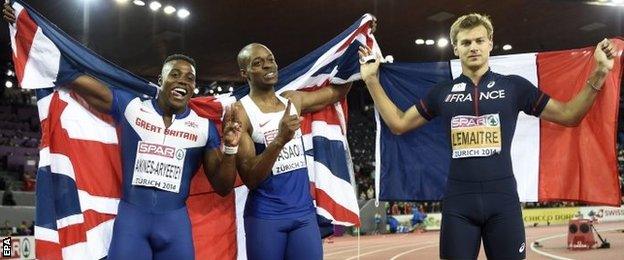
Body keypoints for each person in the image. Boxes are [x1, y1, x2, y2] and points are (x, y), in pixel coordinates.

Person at [359, 13, 617, 259]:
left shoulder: (514, 87)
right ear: (456, 49)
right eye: (466, 42)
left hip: (502, 202)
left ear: (490, 44)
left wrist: (600, 72)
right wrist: (372, 81)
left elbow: (570, 114)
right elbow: (399, 124)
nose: (473, 47)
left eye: (479, 40)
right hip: (459, 205)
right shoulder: (442, 93)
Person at [234, 43, 351, 260]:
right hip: (266, 217)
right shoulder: (241, 113)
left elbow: (336, 92)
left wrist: (357, 50)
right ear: (245, 73)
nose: (268, 65)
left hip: (303, 214)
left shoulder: (292, 100)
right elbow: (250, 177)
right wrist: (280, 140)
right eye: (257, 63)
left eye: (271, 59)